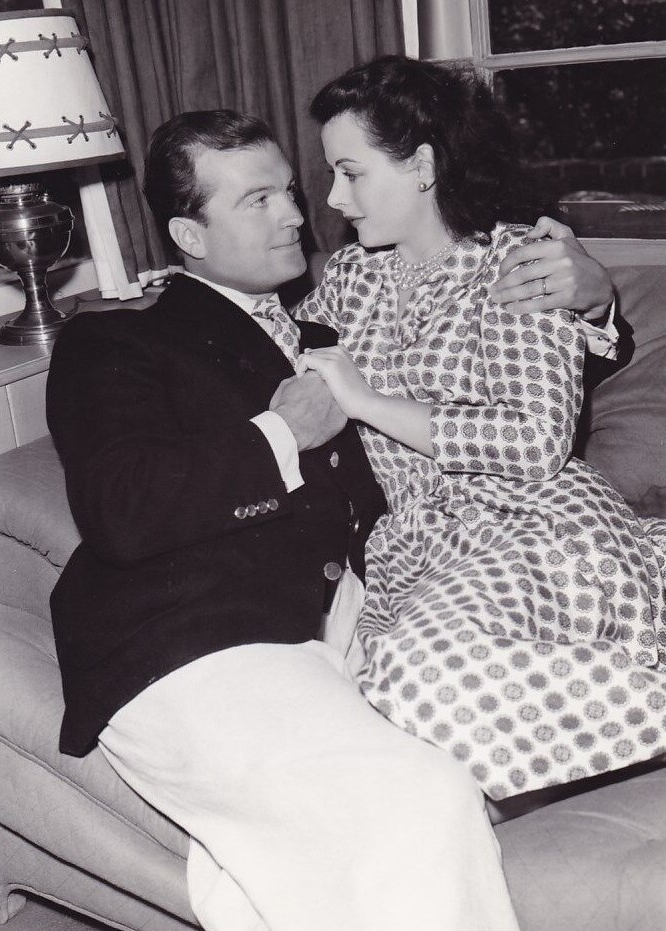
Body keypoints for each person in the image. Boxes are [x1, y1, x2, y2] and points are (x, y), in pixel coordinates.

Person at [46, 108, 613, 931]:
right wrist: (280, 433)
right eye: (257, 201)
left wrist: (595, 301)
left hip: (351, 624)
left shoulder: (330, 318)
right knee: (419, 797)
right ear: (187, 234)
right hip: (195, 640)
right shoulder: (115, 342)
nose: (295, 214)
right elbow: (120, 512)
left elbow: (495, 365)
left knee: (282, 869)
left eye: (288, 190)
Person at [295, 56, 666, 806]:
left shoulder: (520, 259)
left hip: (536, 531)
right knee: (354, 715)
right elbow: (290, 349)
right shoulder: (348, 276)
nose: (332, 198)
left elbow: (534, 442)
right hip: (417, 547)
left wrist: (366, 400)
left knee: (415, 679)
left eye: (351, 172)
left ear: (423, 165)